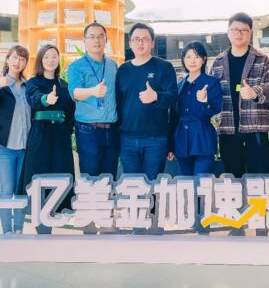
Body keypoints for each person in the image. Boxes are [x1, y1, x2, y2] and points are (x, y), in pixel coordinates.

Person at [209, 13, 269, 177]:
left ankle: (260, 197)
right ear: (228, 32)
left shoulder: (262, 60)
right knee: (232, 177)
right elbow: (212, 92)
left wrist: (255, 92)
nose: (239, 34)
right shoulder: (218, 62)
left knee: (260, 176)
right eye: (235, 30)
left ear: (250, 33)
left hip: (255, 128)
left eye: (244, 30)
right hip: (227, 128)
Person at [115, 23, 178, 180]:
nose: (140, 43)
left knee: (152, 185)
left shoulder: (164, 67)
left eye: (145, 39)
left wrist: (156, 96)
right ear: (130, 43)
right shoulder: (122, 70)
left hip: (155, 139)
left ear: (152, 43)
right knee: (132, 186)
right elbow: (118, 102)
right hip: (127, 138)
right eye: (136, 39)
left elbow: (173, 98)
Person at [19, 45, 76, 212]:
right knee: (39, 169)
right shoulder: (33, 83)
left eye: (54, 56)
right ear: (40, 60)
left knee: (61, 169)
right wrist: (46, 99)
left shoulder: (64, 85)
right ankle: (38, 209)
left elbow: (71, 111)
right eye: (46, 57)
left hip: (60, 134)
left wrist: (67, 129)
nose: (51, 60)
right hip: (40, 132)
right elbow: (34, 98)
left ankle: (60, 208)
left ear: (58, 60)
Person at [0, 46, 31, 235]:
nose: (18, 62)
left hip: (25, 147)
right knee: (7, 189)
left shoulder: (28, 86)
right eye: (15, 58)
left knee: (20, 191)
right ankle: (7, 232)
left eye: (23, 59)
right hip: (5, 147)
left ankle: (18, 230)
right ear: (7, 59)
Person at [67, 23, 119, 178]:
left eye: (100, 36)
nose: (96, 40)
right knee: (90, 180)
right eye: (92, 37)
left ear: (106, 40)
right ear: (84, 41)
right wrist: (93, 91)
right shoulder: (76, 66)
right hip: (88, 131)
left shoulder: (112, 65)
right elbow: (75, 93)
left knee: (110, 178)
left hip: (112, 129)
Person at [168, 42, 223, 176]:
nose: (192, 61)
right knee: (186, 183)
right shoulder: (179, 85)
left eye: (197, 57)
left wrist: (204, 101)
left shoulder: (212, 82)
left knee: (202, 182)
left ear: (203, 60)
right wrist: (170, 146)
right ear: (183, 60)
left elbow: (216, 108)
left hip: (203, 138)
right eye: (188, 57)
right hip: (182, 140)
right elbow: (174, 117)